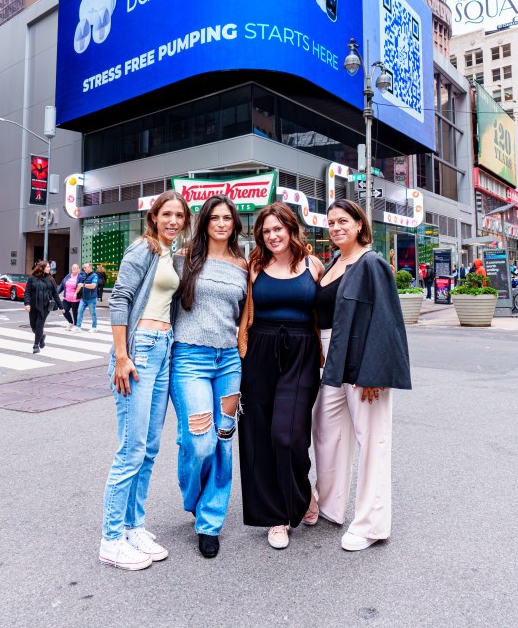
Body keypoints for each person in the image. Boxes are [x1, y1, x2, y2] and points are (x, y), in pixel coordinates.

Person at [311, 199, 411, 551]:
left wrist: (375, 372)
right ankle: (330, 505)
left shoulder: (372, 264)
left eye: (343, 221)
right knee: (326, 431)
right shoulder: (334, 263)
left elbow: (387, 322)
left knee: (372, 441)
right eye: (331, 222)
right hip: (329, 360)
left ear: (359, 225)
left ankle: (371, 524)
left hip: (362, 361)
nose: (336, 227)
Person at [99, 191, 191, 571]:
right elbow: (120, 299)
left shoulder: (172, 255)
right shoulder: (143, 249)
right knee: (131, 449)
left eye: (179, 216)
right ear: (154, 217)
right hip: (139, 353)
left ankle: (133, 525)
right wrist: (122, 356)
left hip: (164, 347)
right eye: (166, 214)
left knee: (150, 447)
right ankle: (110, 538)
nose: (173, 220)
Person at [238, 203, 324, 550]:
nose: (272, 236)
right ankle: (276, 517)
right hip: (260, 351)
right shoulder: (255, 267)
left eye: (278, 229)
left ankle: (302, 494)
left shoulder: (313, 265)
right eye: (266, 230)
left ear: (291, 229)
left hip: (301, 353)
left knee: (288, 435)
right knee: (260, 435)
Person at [170, 195, 248, 558]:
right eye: (214, 218)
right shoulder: (184, 259)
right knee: (199, 442)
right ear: (205, 222)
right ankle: (194, 499)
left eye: (227, 218)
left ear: (234, 224)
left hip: (229, 362)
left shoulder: (243, 264)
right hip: (189, 359)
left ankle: (209, 522)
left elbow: (246, 317)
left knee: (223, 439)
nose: (221, 223)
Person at [23, 260, 64, 353]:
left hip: (45, 306)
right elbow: (27, 292)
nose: (50, 268)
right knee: (33, 325)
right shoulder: (32, 278)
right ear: (42, 268)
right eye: (48, 267)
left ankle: (36, 345)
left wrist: (61, 307)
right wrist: (27, 303)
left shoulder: (51, 279)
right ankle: (41, 337)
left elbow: (55, 294)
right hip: (33, 306)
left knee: (39, 325)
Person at [74, 262, 98, 332]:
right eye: (83, 267)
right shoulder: (83, 275)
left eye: (85, 267)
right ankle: (78, 327)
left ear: (90, 267)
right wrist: (76, 293)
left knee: (92, 313)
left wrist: (83, 285)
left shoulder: (95, 275)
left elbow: (93, 285)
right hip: (83, 298)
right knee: (80, 311)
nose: (84, 269)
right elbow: (79, 285)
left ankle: (94, 327)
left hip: (91, 298)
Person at [57, 263, 82, 330]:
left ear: (78, 270)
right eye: (73, 267)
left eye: (75, 268)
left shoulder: (80, 277)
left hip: (75, 299)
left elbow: (81, 286)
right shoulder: (68, 276)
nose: (74, 268)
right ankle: (71, 322)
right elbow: (62, 285)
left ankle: (76, 325)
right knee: (64, 310)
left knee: (75, 313)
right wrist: (57, 293)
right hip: (66, 298)